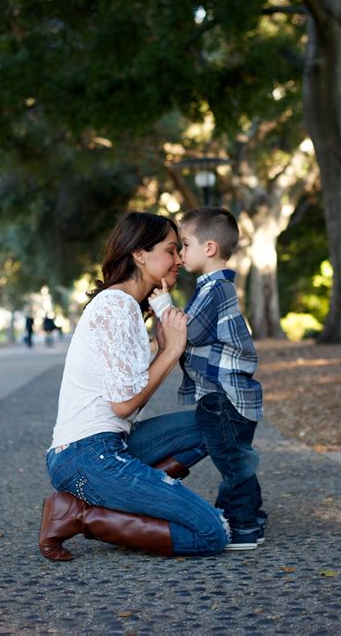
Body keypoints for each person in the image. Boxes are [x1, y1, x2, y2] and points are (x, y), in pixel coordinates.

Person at [39, 212, 229, 562]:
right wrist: (171, 349)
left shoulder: (125, 305)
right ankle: (81, 515)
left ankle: (134, 498)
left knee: (217, 422)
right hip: (85, 456)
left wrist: (162, 318)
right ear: (139, 254)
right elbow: (123, 404)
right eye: (172, 250)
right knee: (211, 533)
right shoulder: (116, 306)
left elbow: (130, 390)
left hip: (114, 444)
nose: (180, 260)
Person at [149, 207, 265, 550]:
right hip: (226, 393)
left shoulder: (214, 289)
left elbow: (192, 332)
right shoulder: (213, 287)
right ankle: (252, 517)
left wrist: (163, 305)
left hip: (222, 395)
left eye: (184, 245)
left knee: (233, 461)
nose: (180, 254)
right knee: (238, 457)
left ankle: (243, 527)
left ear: (209, 248)